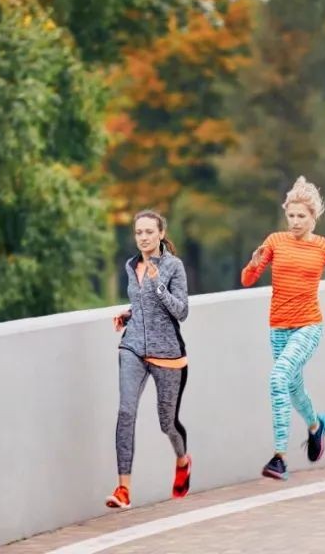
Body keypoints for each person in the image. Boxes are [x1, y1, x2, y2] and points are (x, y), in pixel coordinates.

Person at [241, 176, 325, 480]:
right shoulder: (275, 241)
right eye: (291, 215)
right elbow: (247, 280)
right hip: (278, 328)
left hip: (308, 326)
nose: (295, 221)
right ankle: (316, 426)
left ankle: (280, 458)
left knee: (278, 378)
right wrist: (253, 264)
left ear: (313, 217)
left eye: (301, 216)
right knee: (293, 388)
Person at [105, 210, 192, 509]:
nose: (143, 237)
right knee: (126, 412)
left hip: (167, 355)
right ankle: (123, 489)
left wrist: (158, 284)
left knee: (167, 423)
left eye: (149, 232)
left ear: (161, 234)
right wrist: (128, 314)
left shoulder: (174, 266)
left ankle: (182, 460)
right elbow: (141, 303)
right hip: (132, 349)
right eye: (138, 232)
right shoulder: (131, 265)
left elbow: (181, 311)